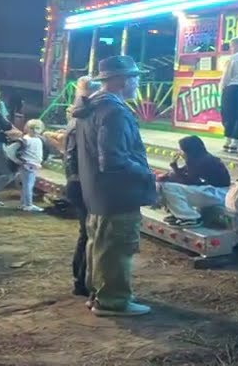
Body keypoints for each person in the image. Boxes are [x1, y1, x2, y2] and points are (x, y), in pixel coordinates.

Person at [73, 55, 156, 317]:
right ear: (120, 80)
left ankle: (98, 294)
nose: (137, 82)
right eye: (134, 77)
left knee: (99, 245)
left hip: (97, 194)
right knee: (116, 249)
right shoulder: (115, 112)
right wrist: (145, 173)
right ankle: (113, 300)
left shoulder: (92, 107)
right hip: (117, 194)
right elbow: (113, 159)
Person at [42, 77, 100, 298]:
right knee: (88, 233)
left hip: (75, 182)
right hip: (81, 182)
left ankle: (80, 278)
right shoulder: (82, 124)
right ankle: (83, 280)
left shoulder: (74, 123)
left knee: (85, 233)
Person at [157, 135, 230, 227]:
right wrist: (170, 172)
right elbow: (182, 175)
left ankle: (189, 217)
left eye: (181, 150)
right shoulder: (198, 158)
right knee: (165, 185)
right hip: (212, 191)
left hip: (217, 193)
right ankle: (178, 214)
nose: (180, 153)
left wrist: (173, 169)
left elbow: (189, 181)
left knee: (167, 188)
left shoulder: (203, 161)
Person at [0, 119, 44, 212]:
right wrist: (17, 160)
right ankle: (28, 204)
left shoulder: (38, 139)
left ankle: (24, 203)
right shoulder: (24, 140)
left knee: (28, 185)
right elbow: (9, 150)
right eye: (32, 128)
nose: (35, 130)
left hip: (33, 164)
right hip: (28, 165)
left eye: (38, 128)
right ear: (27, 128)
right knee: (28, 185)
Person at [218, 37, 238, 153]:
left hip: (231, 87)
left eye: (232, 46)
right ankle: (235, 141)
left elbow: (226, 76)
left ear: (236, 45)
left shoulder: (233, 58)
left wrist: (222, 89)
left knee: (229, 114)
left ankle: (227, 140)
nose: (231, 49)